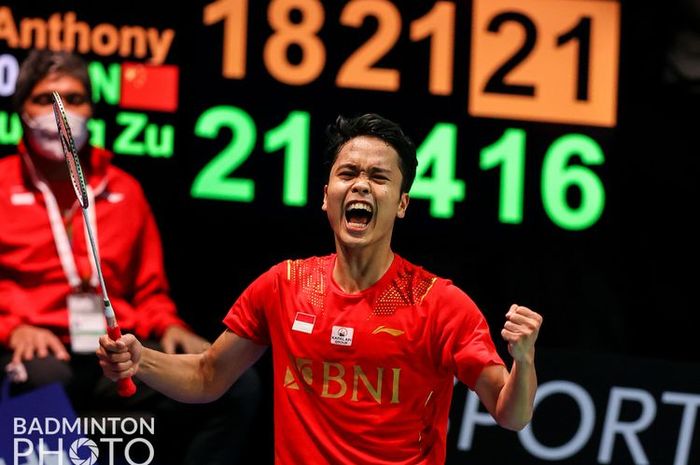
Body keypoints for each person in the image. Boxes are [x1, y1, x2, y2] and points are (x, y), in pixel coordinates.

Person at [98, 113, 543, 464]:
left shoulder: (440, 303)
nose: (362, 184)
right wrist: (142, 360)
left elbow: (512, 415)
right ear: (326, 195)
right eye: (348, 173)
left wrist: (523, 363)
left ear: (402, 204)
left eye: (379, 177)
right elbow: (207, 377)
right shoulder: (283, 285)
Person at [0, 50, 260, 465]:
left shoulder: (126, 190)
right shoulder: (1, 184)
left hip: (115, 349)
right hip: (40, 351)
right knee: (41, 381)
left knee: (235, 385)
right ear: (21, 111)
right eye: (46, 99)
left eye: (74, 99)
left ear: (92, 109)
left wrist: (169, 324)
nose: (62, 112)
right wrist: (12, 329)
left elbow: (149, 289)